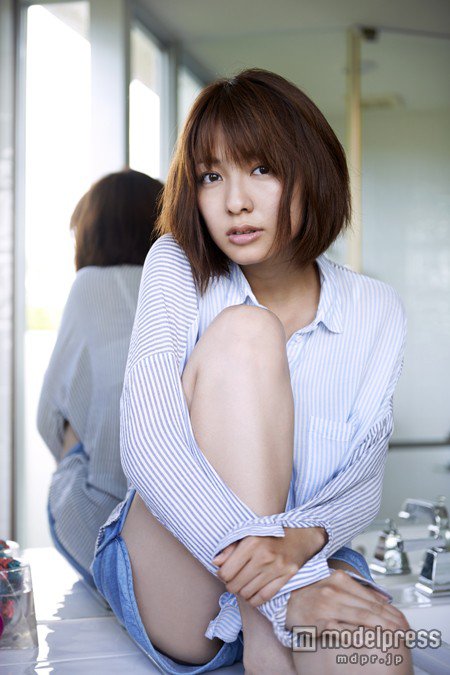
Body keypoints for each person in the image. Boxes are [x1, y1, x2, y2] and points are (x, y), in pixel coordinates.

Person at [92, 70, 412, 674]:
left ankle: (274, 616)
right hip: (178, 563)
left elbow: (363, 476)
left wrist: (302, 543)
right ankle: (266, 630)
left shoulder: (376, 308)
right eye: (211, 176)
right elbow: (150, 447)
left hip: (302, 555)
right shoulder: (176, 264)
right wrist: (283, 596)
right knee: (247, 332)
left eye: (261, 169)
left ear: (311, 172)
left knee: (380, 650)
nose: (235, 201)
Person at [37, 168, 164, 584]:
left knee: (72, 421)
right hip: (183, 533)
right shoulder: (190, 285)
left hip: (103, 532)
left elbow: (47, 416)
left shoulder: (89, 284)